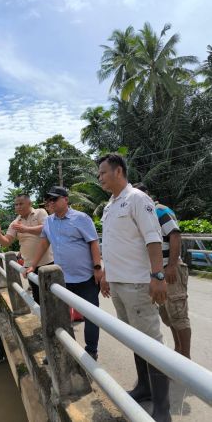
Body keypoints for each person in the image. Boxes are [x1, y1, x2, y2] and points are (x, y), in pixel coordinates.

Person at [98, 154, 170, 422]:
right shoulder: (110, 205)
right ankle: (144, 387)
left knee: (151, 342)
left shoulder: (138, 199)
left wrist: (158, 276)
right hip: (117, 283)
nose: (100, 178)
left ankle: (162, 408)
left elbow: (153, 238)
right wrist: (105, 273)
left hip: (138, 284)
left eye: (103, 173)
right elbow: (113, 243)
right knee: (133, 338)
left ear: (118, 171)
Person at [24, 186, 102, 360]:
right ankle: (67, 349)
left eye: (54, 199)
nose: (50, 203)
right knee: (60, 317)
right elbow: (44, 244)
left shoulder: (81, 218)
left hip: (85, 278)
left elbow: (94, 243)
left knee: (91, 316)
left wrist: (97, 268)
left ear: (66, 200)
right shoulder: (49, 222)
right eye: (48, 200)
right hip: (62, 280)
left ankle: (91, 351)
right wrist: (33, 266)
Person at [133, 183, 191, 359]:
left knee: (179, 314)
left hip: (170, 269)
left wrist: (172, 265)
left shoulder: (159, 210)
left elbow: (175, 234)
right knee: (168, 315)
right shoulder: (141, 215)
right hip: (158, 272)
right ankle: (178, 351)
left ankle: (186, 359)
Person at [0, 194, 53, 304]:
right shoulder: (15, 223)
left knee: (52, 296)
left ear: (30, 203)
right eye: (16, 205)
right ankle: (45, 320)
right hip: (29, 266)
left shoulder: (41, 212)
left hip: (48, 262)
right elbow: (7, 242)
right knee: (38, 297)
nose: (18, 207)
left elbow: (45, 229)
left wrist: (25, 229)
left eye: (21, 203)